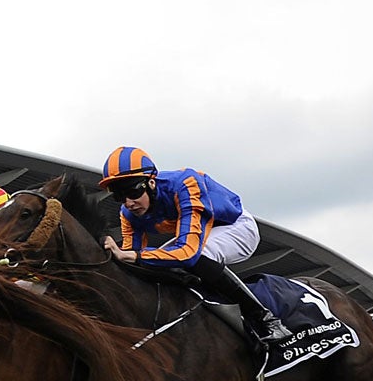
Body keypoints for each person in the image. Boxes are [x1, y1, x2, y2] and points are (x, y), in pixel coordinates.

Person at [96, 146, 291, 356]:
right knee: (155, 264)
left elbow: (188, 252)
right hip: (200, 233)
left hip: (235, 226)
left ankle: (265, 318)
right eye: (119, 196)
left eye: (133, 192)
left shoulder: (186, 184)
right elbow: (131, 262)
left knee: (196, 258)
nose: (129, 203)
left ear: (151, 182)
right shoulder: (128, 213)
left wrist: (134, 256)